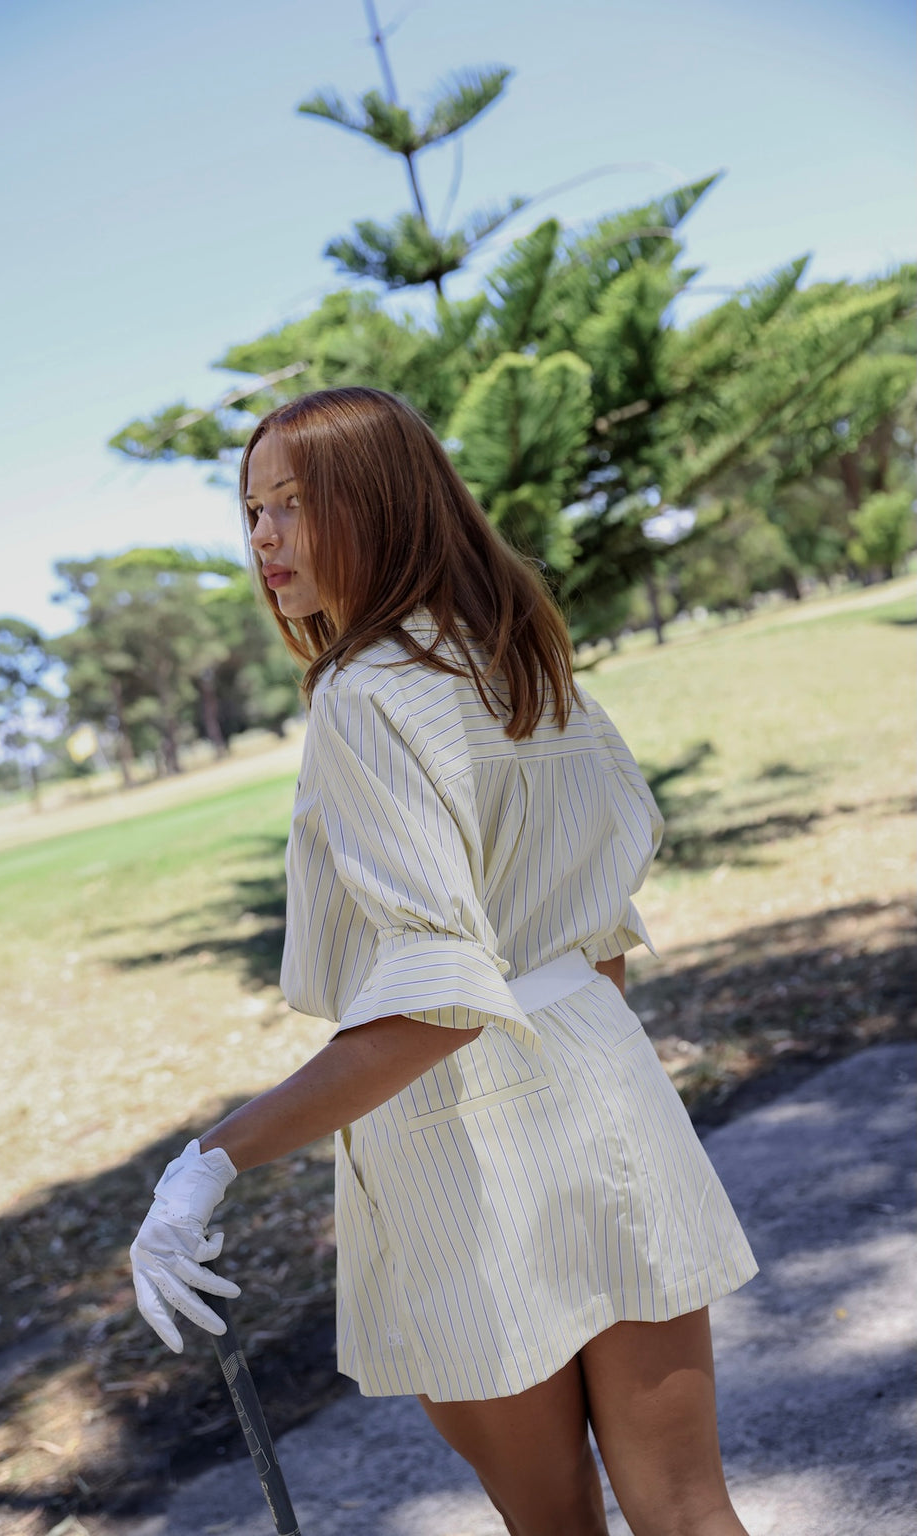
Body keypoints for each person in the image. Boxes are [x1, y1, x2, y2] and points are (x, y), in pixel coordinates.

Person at [130, 386, 757, 1536]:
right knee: (687, 1510)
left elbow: (438, 1003)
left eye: (291, 505)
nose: (262, 537)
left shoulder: (363, 696)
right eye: (250, 508)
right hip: (610, 1093)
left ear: (377, 505)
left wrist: (210, 1161)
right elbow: (597, 934)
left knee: (554, 1525)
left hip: (464, 1153)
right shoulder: (521, 658)